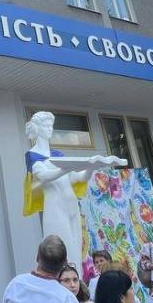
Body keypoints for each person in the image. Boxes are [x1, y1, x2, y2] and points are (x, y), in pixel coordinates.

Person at [24, 112, 125, 267]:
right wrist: (66, 168)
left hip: (71, 203)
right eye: (45, 126)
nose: (50, 129)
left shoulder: (58, 155)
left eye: (51, 126)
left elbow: (78, 178)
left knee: (76, 247)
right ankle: (63, 277)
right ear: (37, 128)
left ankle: (76, 278)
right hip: (55, 206)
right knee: (62, 246)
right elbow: (44, 176)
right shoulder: (33, 155)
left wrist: (91, 167)